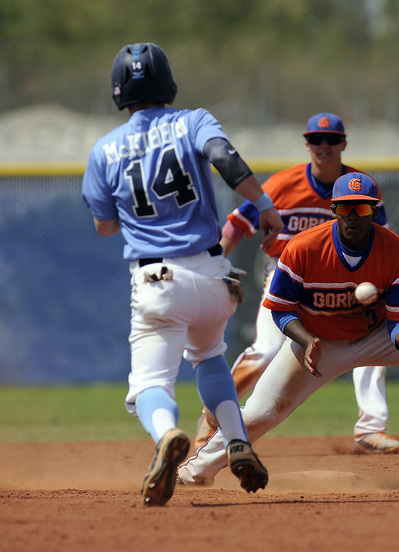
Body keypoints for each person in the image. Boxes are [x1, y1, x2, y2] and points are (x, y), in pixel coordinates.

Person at [178, 172, 399, 488]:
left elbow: (398, 321)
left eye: (362, 209)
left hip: (373, 335)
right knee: (261, 413)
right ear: (333, 209)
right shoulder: (303, 248)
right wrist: (307, 340)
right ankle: (195, 471)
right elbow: (280, 309)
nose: (353, 216)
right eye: (345, 208)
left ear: (375, 212)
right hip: (317, 341)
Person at [81, 43, 283, 506]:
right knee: (210, 357)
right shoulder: (191, 121)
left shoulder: (104, 149)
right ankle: (236, 440)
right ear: (167, 82)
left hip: (157, 282)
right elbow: (224, 158)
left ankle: (168, 434)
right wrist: (265, 205)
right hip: (213, 275)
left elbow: (105, 226)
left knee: (150, 385)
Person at [194, 113, 399, 454]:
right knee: (264, 351)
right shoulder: (282, 185)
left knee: (373, 344)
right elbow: (236, 225)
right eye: (316, 140)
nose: (324, 146)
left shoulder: (361, 186)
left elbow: (383, 236)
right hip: (288, 278)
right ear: (307, 144)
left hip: (346, 283)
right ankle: (214, 413)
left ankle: (371, 428)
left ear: (343, 144)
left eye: (331, 140)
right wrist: (216, 263)